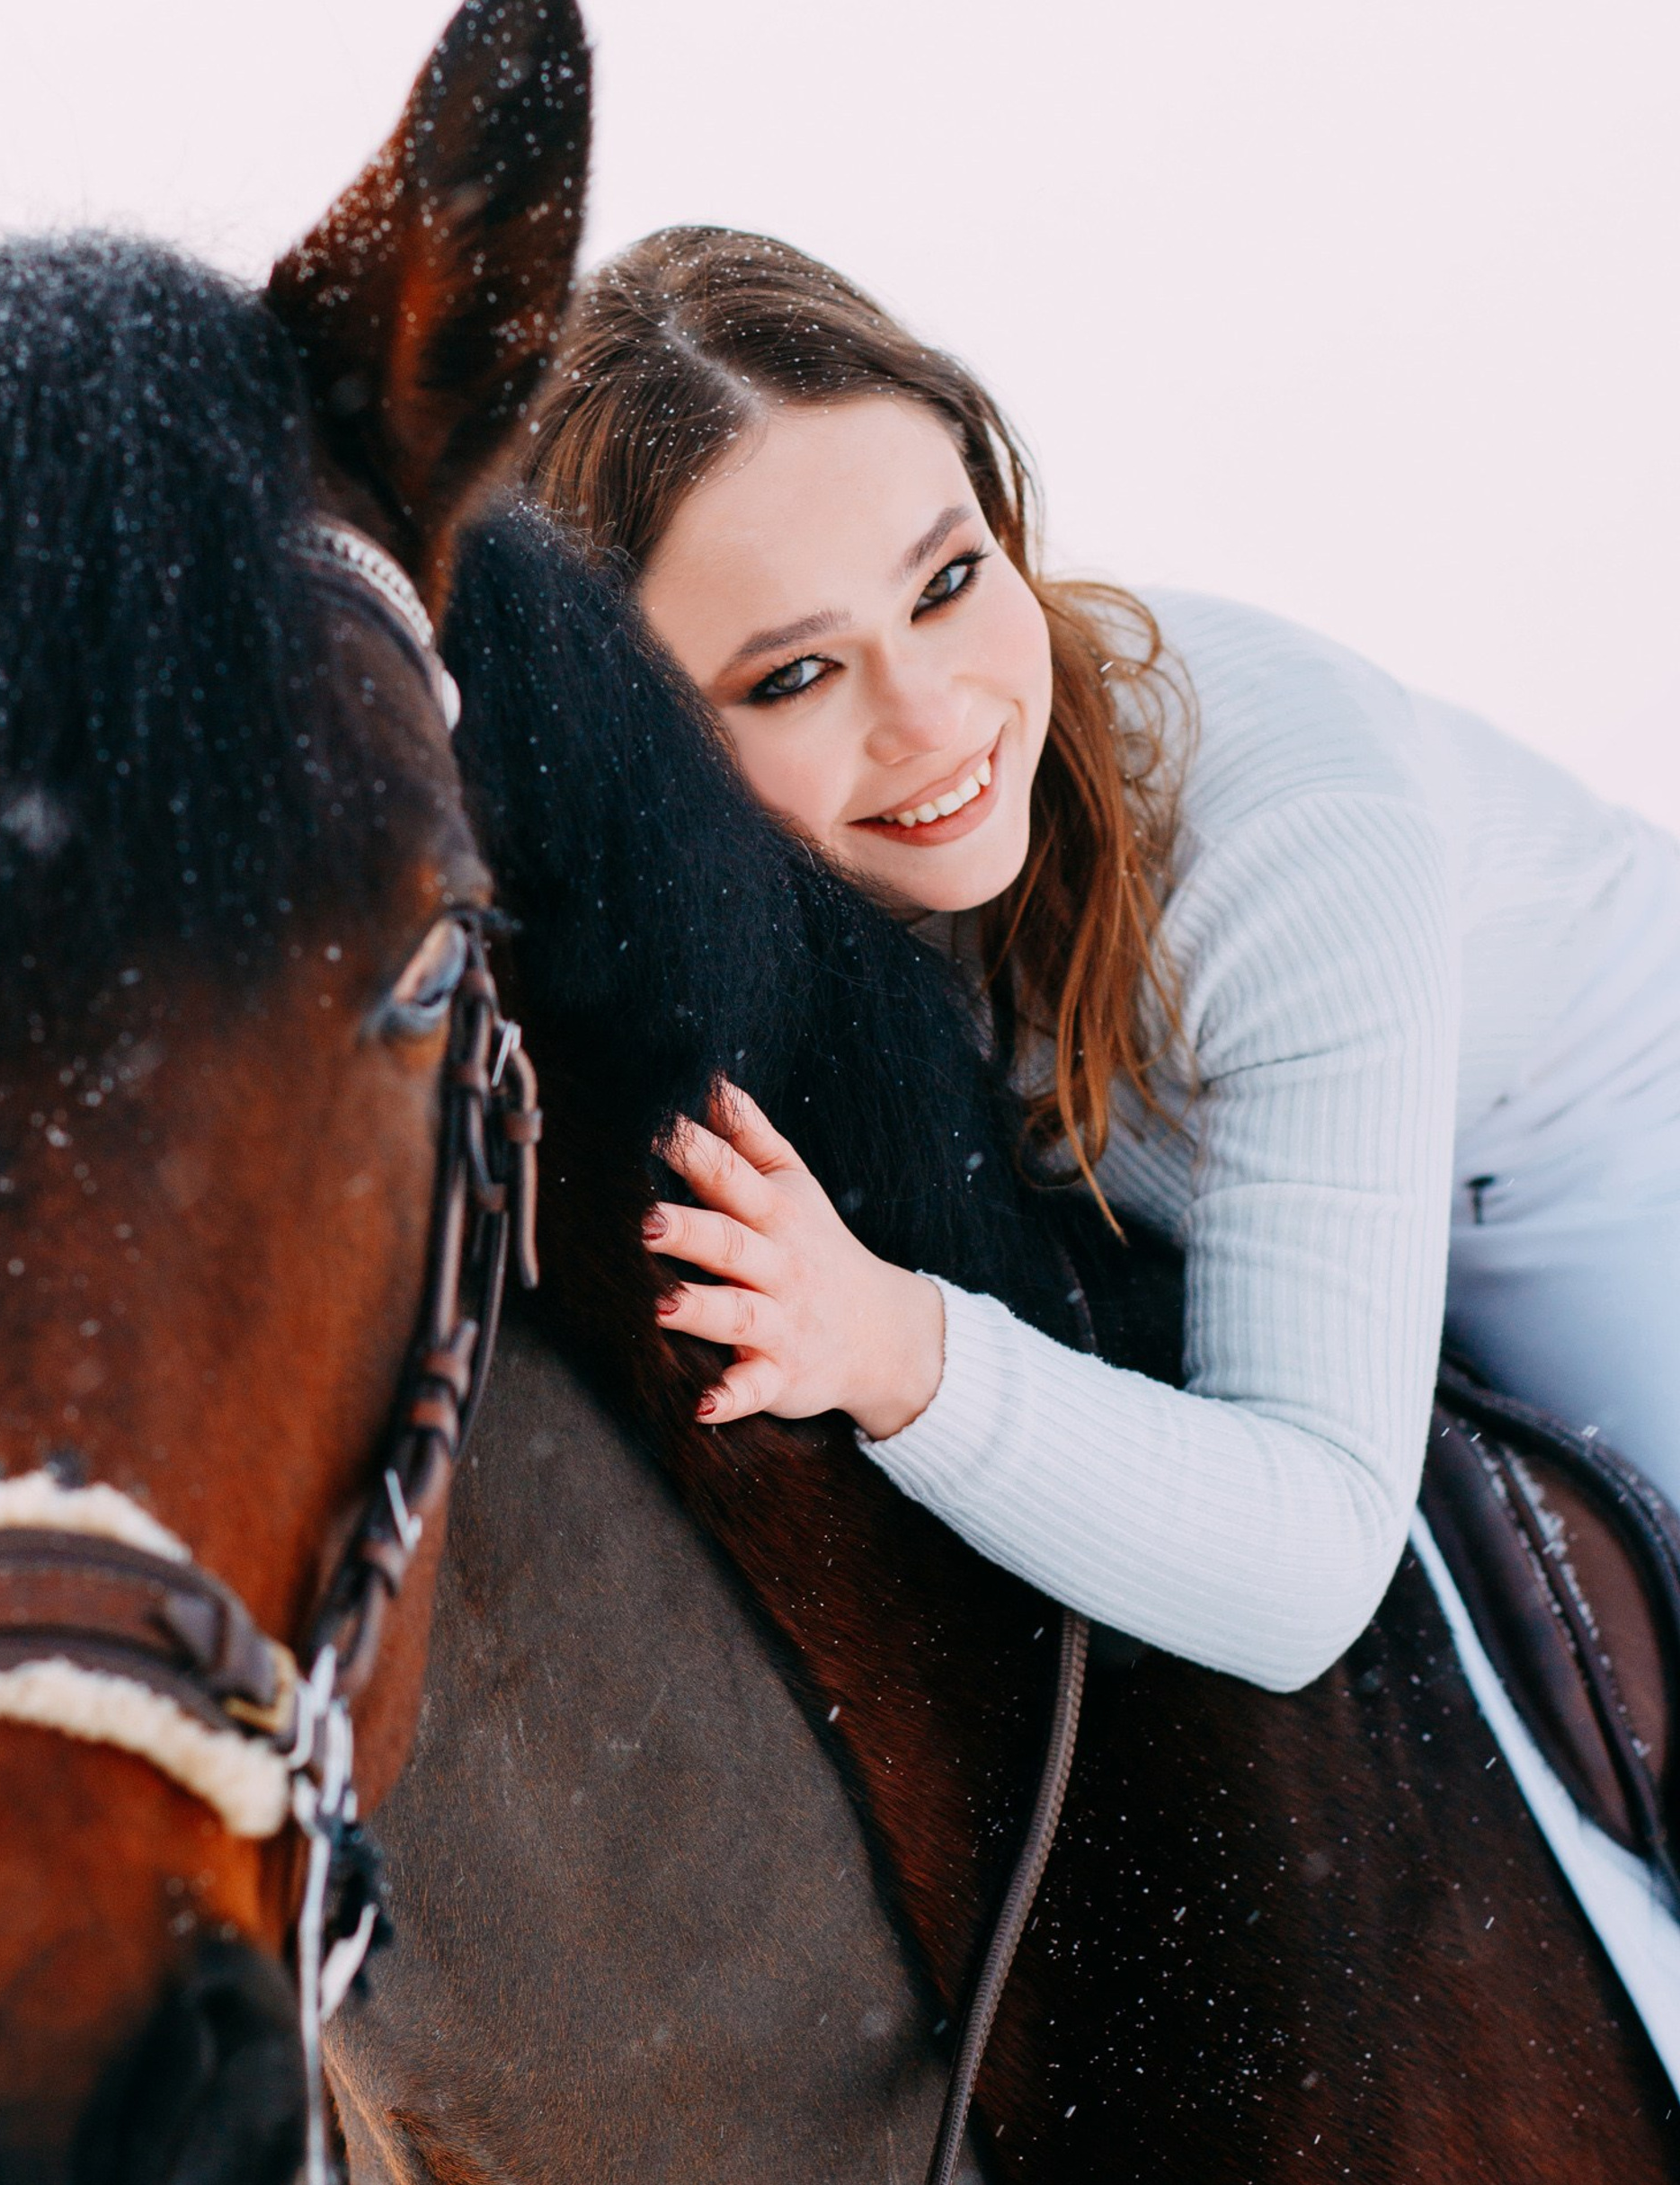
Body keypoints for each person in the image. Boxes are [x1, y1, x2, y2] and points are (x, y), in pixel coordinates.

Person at [524, 224, 1680, 1701]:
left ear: (999, 514)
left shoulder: (1290, 831)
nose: (936, 719)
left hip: (1597, 1152)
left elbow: (1312, 1573)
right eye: (796, 673)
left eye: (946, 581)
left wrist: (894, 1347)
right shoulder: (713, 866)